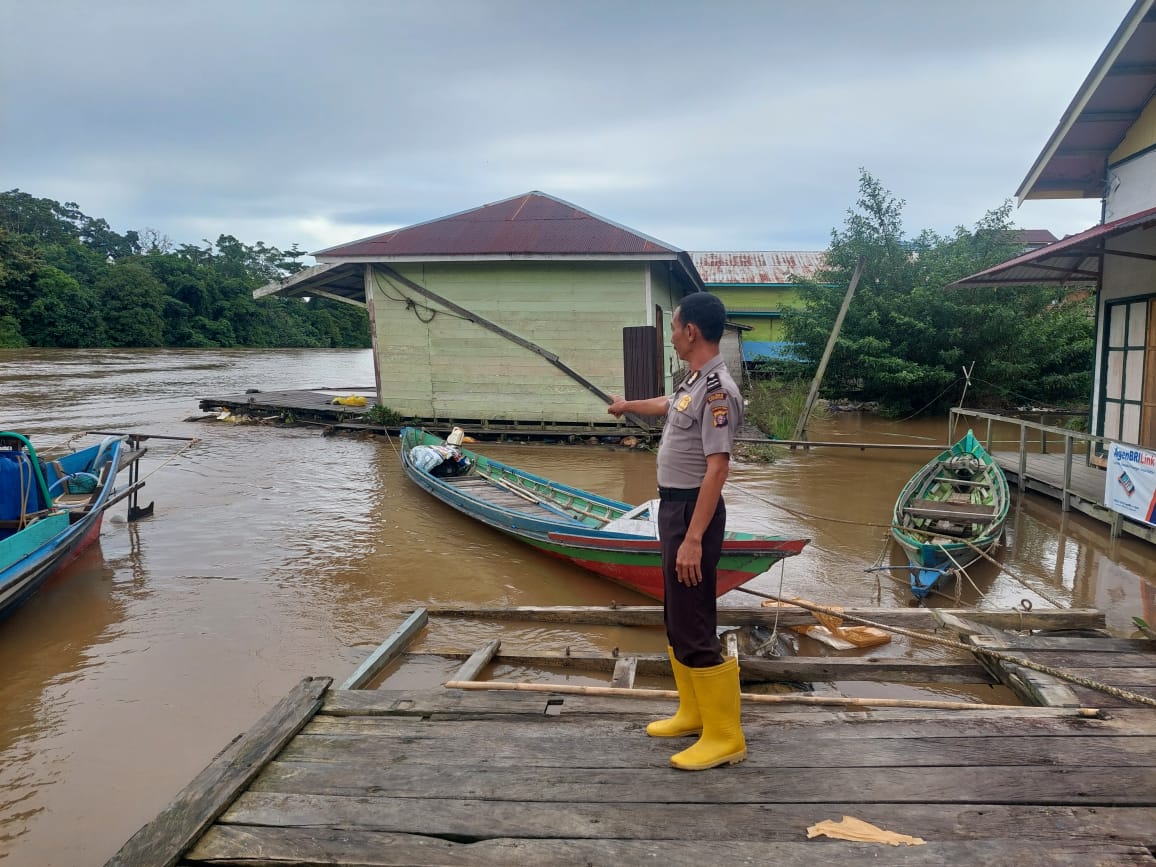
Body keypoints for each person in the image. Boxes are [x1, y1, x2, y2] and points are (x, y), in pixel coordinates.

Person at [608, 292, 746, 771]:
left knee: (694, 622)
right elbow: (669, 404)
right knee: (677, 617)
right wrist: (627, 405)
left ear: (691, 331)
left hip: (693, 516)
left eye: (673, 327)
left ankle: (725, 736)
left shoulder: (718, 391)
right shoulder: (693, 380)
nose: (670, 336)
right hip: (675, 509)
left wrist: (692, 539)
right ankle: (693, 713)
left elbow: (718, 469)